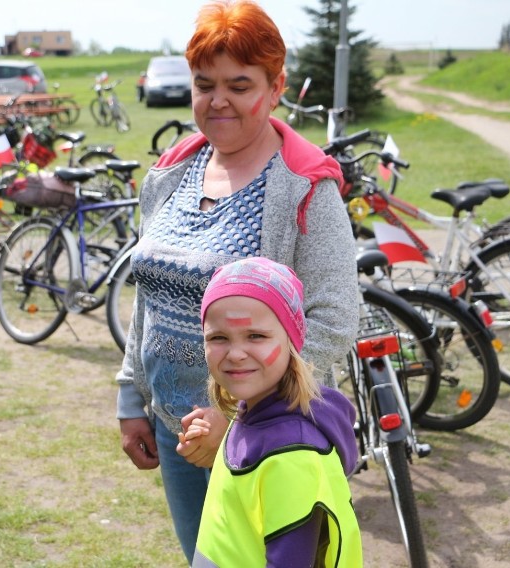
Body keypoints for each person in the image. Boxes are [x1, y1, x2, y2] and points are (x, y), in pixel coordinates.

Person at [115, 0, 359, 562]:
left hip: (264, 439)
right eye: (205, 85)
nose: (218, 100)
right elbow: (149, 296)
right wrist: (133, 394)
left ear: (276, 89)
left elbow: (333, 318)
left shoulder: (303, 187)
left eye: (239, 84)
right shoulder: (174, 171)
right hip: (179, 429)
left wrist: (238, 409)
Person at [186, 257, 361, 566]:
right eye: (218, 338)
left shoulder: (292, 455)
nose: (236, 354)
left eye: (256, 336)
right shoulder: (252, 410)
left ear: (293, 340)